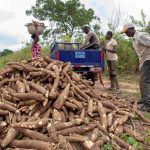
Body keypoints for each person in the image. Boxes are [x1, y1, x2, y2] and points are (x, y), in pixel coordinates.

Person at [120, 23, 150, 111]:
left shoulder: (140, 36)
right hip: (144, 61)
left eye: (126, 32)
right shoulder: (134, 38)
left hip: (148, 60)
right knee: (145, 82)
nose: (126, 34)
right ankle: (145, 99)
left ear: (131, 29)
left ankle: (148, 104)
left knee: (144, 83)